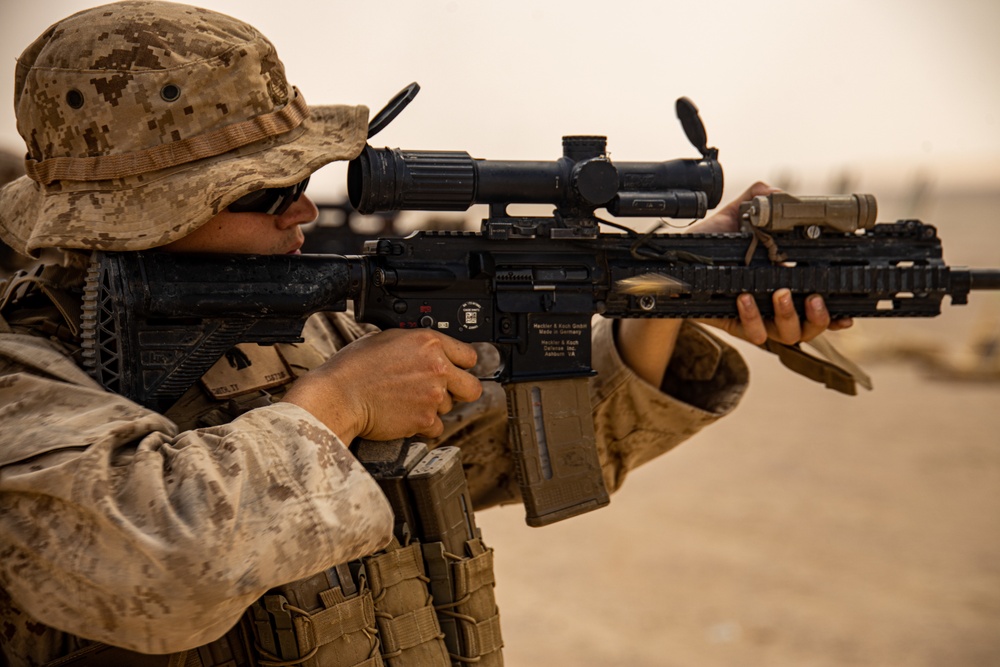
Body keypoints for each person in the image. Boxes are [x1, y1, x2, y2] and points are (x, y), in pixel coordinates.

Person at [0, 2, 850, 666]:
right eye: (262, 193)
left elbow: (509, 450)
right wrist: (337, 401)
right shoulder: (26, 368)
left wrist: (663, 292)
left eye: (302, 178)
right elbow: (161, 560)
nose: (303, 207)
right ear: (136, 218)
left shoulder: (301, 321)